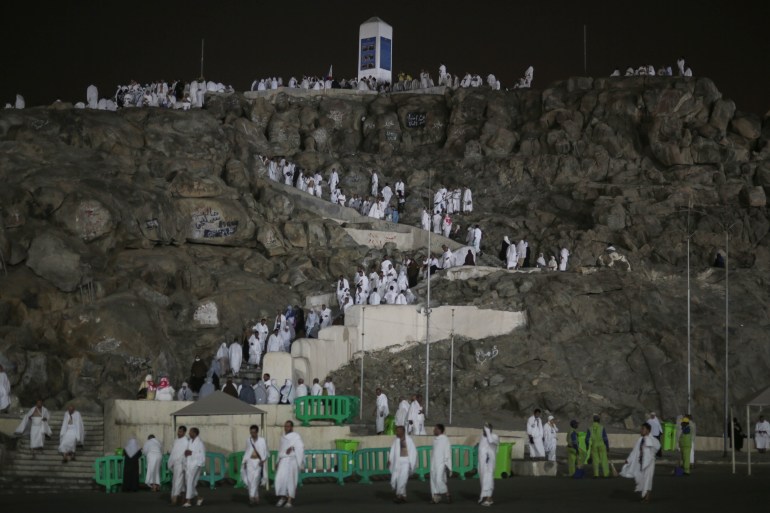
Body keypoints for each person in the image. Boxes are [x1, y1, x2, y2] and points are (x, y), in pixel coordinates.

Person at [621, 422, 660, 503]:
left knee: (648, 479)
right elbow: (635, 451)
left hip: (649, 463)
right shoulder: (640, 440)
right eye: (641, 429)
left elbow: (656, 448)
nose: (641, 430)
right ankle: (644, 495)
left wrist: (649, 453)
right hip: (641, 463)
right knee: (642, 479)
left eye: (643, 429)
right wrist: (628, 460)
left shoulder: (652, 440)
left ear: (648, 431)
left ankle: (647, 497)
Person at [275, 420, 305, 508]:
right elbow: (280, 450)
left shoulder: (296, 436)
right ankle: (283, 497)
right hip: (283, 460)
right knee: (279, 479)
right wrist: (278, 461)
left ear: (292, 427)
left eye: (288, 426)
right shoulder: (282, 437)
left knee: (291, 480)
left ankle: (289, 500)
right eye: (285, 426)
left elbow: (301, 447)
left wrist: (292, 448)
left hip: (292, 461)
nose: (286, 428)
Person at [388, 425, 417, 503]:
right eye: (396, 431)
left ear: (403, 431)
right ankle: (403, 496)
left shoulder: (409, 441)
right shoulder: (396, 441)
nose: (396, 432)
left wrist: (412, 463)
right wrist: (390, 460)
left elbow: (413, 452)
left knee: (402, 478)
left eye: (398, 431)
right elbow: (392, 451)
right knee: (398, 478)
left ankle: (398, 495)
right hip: (397, 462)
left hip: (406, 462)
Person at [242, 424, 268, 505]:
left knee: (256, 479)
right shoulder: (248, 440)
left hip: (258, 462)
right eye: (251, 432)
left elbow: (266, 452)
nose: (252, 434)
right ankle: (255, 497)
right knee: (250, 480)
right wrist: (245, 461)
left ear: (257, 432)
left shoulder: (262, 440)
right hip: (250, 461)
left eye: (254, 432)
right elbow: (247, 451)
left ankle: (251, 496)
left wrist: (263, 460)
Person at [183, 427, 206, 507]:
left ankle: (188, 501)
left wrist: (191, 453)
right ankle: (199, 498)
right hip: (189, 464)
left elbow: (202, 455)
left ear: (195, 433)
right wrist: (186, 453)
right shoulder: (190, 441)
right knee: (189, 482)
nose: (189, 433)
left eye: (190, 432)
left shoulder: (200, 443)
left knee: (189, 481)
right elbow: (188, 451)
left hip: (196, 464)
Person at [430, 423, 452, 504]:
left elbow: (448, 451)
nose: (434, 430)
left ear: (439, 430)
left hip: (441, 463)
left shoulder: (445, 439)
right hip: (433, 463)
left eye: (435, 429)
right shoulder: (434, 440)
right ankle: (436, 497)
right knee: (433, 479)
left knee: (439, 479)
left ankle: (447, 493)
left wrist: (447, 464)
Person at [478, 423, 499, 507]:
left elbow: (491, 441)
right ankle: (487, 497)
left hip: (489, 464)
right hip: (482, 464)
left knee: (489, 479)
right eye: (483, 430)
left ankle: (489, 499)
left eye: (485, 430)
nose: (484, 431)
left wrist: (488, 433)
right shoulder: (482, 437)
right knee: (483, 480)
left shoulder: (494, 437)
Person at [168, 425, 188, 505]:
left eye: (180, 431)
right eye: (178, 431)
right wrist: (171, 462)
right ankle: (182, 500)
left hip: (181, 464)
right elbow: (173, 452)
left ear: (184, 432)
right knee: (178, 482)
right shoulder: (176, 440)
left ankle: (174, 499)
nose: (178, 433)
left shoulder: (186, 441)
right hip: (175, 464)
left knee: (178, 482)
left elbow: (186, 454)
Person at [586, 414, 610, 478]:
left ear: (593, 420)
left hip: (594, 445)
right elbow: (605, 438)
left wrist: (587, 447)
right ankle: (606, 474)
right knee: (604, 459)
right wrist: (607, 446)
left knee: (595, 460)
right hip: (602, 445)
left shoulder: (590, 428)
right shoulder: (602, 427)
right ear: (599, 420)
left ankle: (596, 474)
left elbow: (587, 439)